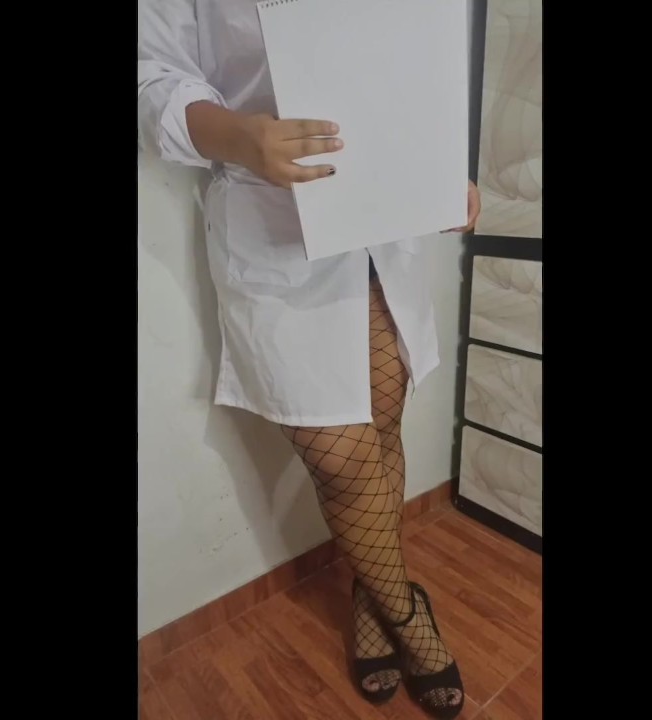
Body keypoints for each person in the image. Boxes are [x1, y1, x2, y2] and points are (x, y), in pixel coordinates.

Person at [139, 2, 480, 717]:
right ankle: (408, 612)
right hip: (272, 220)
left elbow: (418, 57)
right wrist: (239, 136)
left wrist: (440, 164)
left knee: (380, 426)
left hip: (385, 208)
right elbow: (153, 73)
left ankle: (369, 595)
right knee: (338, 456)